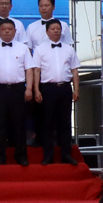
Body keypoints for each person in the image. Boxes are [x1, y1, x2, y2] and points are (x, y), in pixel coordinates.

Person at [0, 19, 36, 166]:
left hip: (18, 90)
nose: (7, 31)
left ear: (15, 31)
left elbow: (29, 70)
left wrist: (29, 88)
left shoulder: (23, 48)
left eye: (10, 29)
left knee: (19, 123)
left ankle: (21, 156)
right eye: (4, 29)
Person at [33, 20, 80, 165]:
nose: (55, 31)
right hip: (48, 89)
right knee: (47, 122)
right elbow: (36, 71)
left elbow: (74, 70)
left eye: (58, 28)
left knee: (65, 123)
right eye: (52, 28)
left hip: (65, 88)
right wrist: (36, 90)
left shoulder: (69, 49)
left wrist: (76, 89)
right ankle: (48, 156)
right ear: (47, 31)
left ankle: (66, 155)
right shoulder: (40, 49)